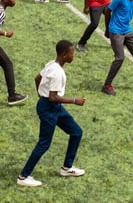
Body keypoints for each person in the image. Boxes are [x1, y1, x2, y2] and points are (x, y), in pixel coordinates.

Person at [17, 40, 85, 187]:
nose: (73, 56)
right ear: (64, 54)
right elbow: (53, 97)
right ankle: (23, 177)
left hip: (52, 106)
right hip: (49, 108)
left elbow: (37, 78)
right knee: (44, 144)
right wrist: (74, 100)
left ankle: (67, 168)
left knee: (76, 132)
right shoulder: (57, 73)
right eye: (72, 53)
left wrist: (41, 95)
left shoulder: (51, 64)